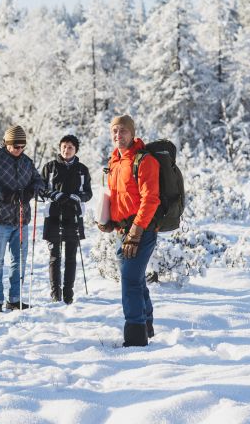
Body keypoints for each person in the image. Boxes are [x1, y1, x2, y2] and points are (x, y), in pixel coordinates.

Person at [97, 115, 160, 347]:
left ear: (132, 133)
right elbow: (119, 198)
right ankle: (147, 326)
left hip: (142, 230)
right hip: (123, 230)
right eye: (114, 131)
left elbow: (150, 199)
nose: (117, 135)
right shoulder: (115, 161)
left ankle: (135, 338)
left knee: (130, 280)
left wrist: (135, 232)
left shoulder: (144, 161)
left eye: (122, 130)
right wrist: (110, 221)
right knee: (136, 280)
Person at [0, 125, 45, 314]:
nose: (19, 150)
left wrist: (32, 190)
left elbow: (38, 181)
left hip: (20, 219)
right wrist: (4, 195)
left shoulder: (26, 162)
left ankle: (14, 299)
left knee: (19, 261)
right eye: (16, 146)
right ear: (7, 143)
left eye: (22, 146)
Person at [40, 135, 93, 305]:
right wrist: (55, 194)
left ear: (76, 149)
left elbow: (88, 193)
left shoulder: (82, 169)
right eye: (63, 146)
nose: (66, 150)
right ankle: (56, 294)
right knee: (55, 257)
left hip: (74, 216)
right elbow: (40, 189)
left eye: (70, 147)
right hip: (53, 215)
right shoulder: (50, 167)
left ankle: (68, 294)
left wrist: (77, 197)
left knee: (71, 257)